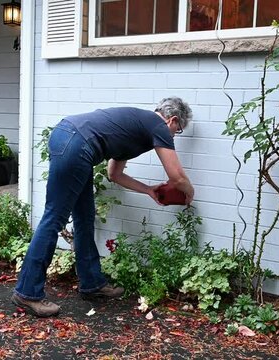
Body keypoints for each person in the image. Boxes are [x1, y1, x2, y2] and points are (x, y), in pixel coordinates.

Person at [11, 97, 195, 317]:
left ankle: (92, 283)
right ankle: (27, 292)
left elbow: (114, 174)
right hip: (75, 143)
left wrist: (148, 189)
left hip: (72, 139)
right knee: (54, 218)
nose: (174, 135)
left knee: (84, 216)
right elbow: (176, 177)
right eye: (178, 129)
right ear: (172, 120)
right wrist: (189, 192)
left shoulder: (137, 129)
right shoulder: (157, 125)